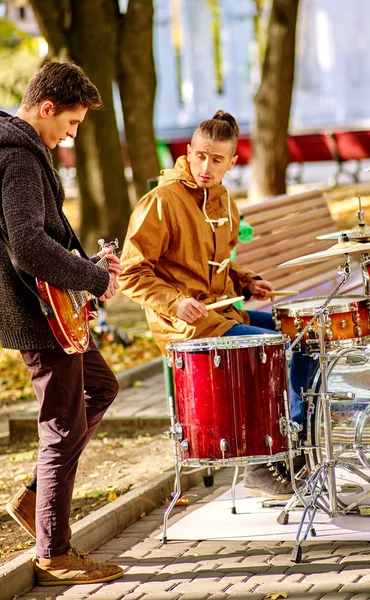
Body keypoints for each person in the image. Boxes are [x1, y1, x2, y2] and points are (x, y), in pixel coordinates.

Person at [119, 110, 315, 499]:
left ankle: (295, 445)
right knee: (271, 346)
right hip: (186, 325)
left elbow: (220, 260)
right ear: (188, 152)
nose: (206, 167)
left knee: (307, 334)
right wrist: (176, 303)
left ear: (232, 162)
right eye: (200, 156)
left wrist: (247, 281)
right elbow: (130, 273)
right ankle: (262, 463)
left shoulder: (224, 199)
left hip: (223, 313)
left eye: (217, 159)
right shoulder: (160, 201)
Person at [1, 62, 124, 586]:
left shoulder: (20, 150)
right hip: (38, 313)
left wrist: (86, 263)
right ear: (46, 108)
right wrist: (93, 279)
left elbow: (35, 236)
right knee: (62, 424)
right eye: (70, 124)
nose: (70, 135)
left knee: (101, 386)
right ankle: (54, 551)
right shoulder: (20, 158)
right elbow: (27, 245)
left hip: (48, 307)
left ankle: (35, 499)